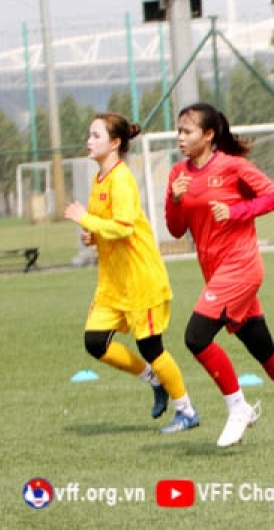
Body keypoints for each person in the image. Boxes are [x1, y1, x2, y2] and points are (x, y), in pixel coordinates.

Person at [165, 102, 274, 449]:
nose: (180, 137)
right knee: (261, 347)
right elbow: (176, 230)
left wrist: (238, 211)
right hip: (216, 273)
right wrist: (176, 200)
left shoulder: (233, 166)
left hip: (241, 267)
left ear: (208, 135)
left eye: (187, 131)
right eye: (178, 130)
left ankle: (238, 408)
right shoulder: (177, 174)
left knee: (196, 337)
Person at [63, 113, 200, 433]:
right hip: (114, 283)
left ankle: (187, 410)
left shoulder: (121, 178)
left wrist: (87, 221)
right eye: (89, 134)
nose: (88, 141)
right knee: (95, 343)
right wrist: (91, 234)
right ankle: (154, 379)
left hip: (140, 280)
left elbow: (124, 229)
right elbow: (107, 227)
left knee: (151, 348)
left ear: (115, 143)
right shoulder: (99, 179)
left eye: (95, 136)